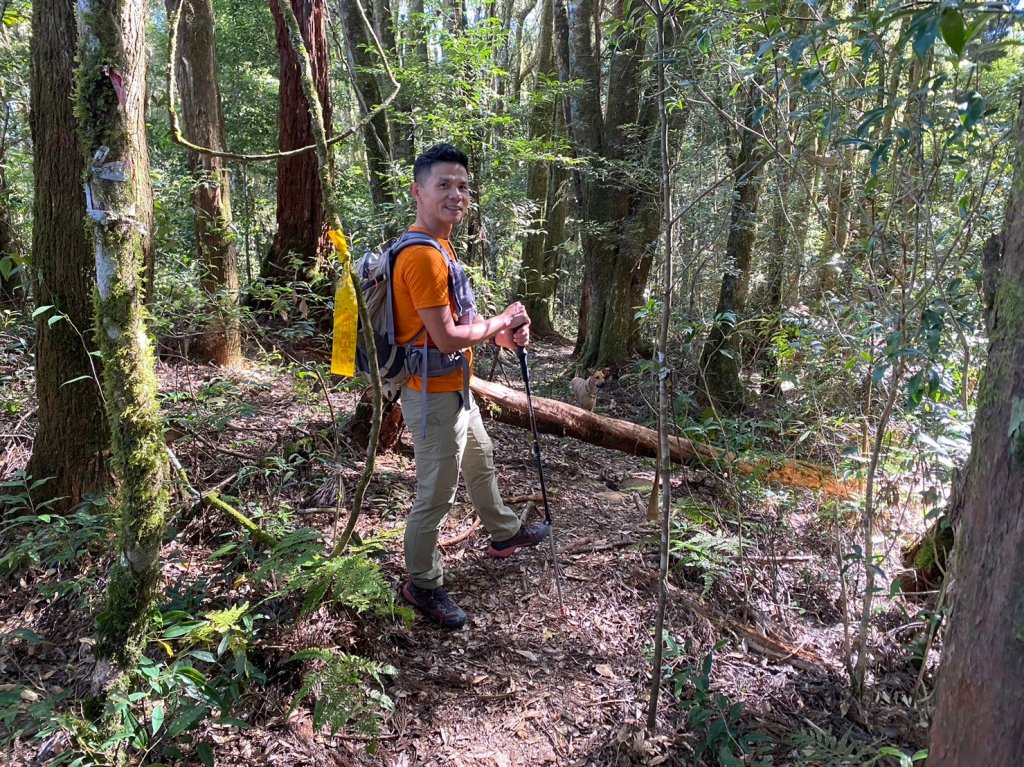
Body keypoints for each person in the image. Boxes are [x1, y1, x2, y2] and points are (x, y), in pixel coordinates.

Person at [391, 143, 550, 629]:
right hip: (431, 397)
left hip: (455, 387)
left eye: (462, 186)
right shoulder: (422, 256)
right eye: (444, 185)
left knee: (480, 461)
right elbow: (445, 336)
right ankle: (421, 584)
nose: (456, 194)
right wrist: (501, 318)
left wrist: (500, 332)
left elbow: (458, 322)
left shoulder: (442, 247)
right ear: (418, 191)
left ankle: (502, 533)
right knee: (435, 495)